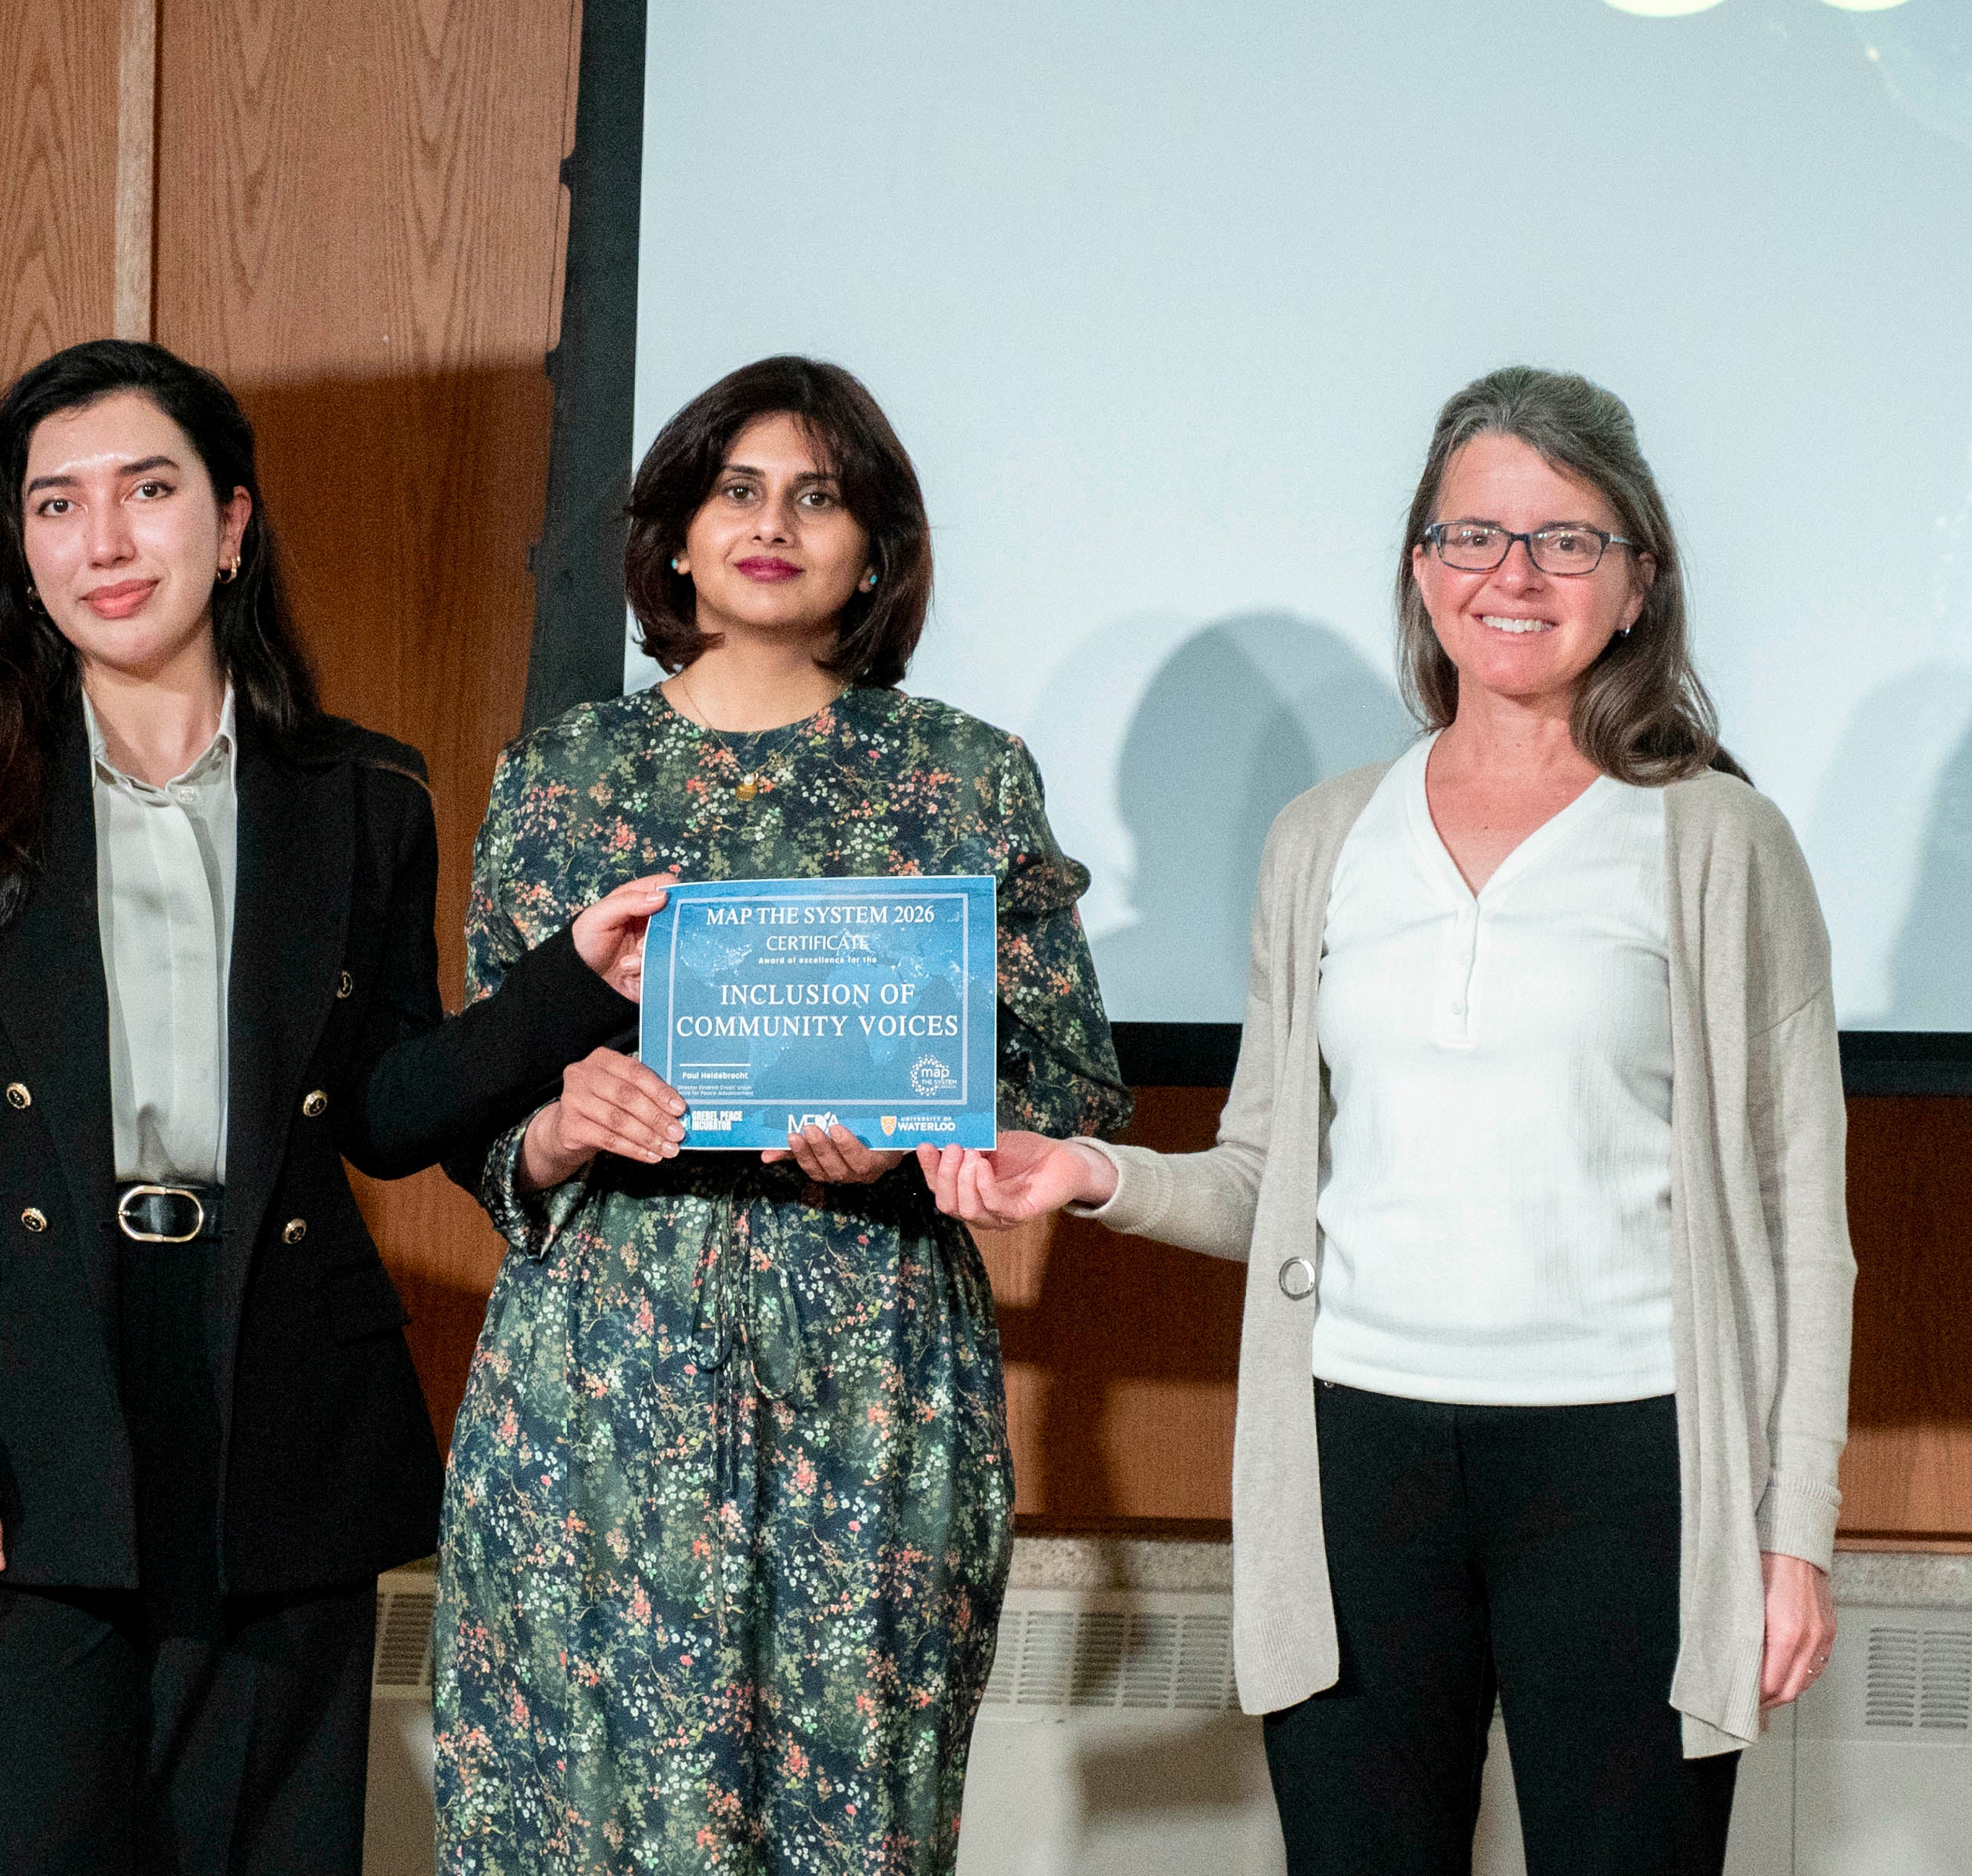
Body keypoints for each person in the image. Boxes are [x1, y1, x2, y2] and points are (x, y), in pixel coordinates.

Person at [929, 366, 1854, 1876]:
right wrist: (1088, 1171)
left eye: (1567, 539)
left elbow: (1800, 1214)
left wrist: (1791, 1522)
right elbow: (1261, 1175)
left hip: (1635, 1464)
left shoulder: (1718, 837)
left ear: (1638, 582)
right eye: (1470, 534)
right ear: (1420, 572)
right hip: (1354, 1457)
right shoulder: (1324, 837)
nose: (1513, 574)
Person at [0, 337, 663, 1874]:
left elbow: (386, 1113)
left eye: (146, 492)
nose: (102, 540)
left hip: (278, 1403)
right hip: (23, 1422)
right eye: (55, 505)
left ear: (228, 523)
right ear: (17, 549)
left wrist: (567, 985)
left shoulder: (360, 794)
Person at [432, 356, 1132, 1874]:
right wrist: (557, 1120)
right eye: (735, 488)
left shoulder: (960, 776)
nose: (772, 523)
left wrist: (918, 1123)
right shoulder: (564, 776)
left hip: (870, 1375)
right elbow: (472, 1105)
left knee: (857, 1824)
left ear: (874, 548)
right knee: (600, 1825)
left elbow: (1073, 1088)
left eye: (818, 495)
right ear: (673, 535)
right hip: (602, 1385)